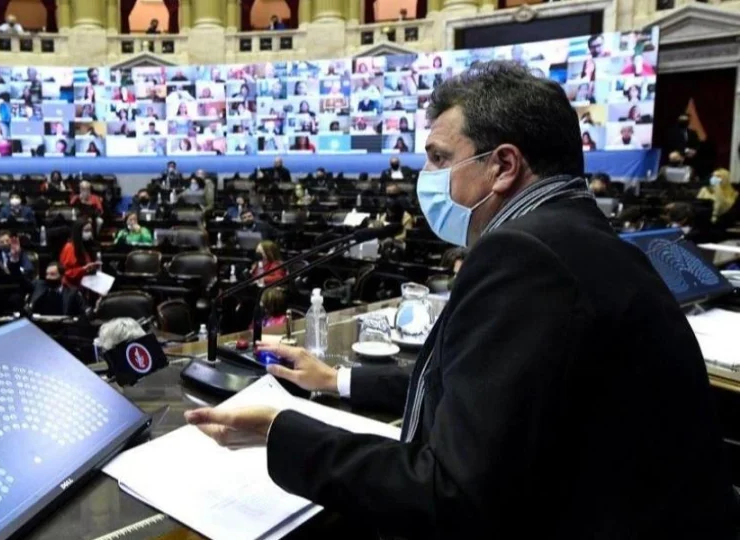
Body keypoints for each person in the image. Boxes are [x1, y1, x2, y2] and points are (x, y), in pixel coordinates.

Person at [185, 60, 737, 538]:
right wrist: (337, 381)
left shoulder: (524, 255)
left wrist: (278, 431)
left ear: (503, 166)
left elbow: (450, 494)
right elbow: (487, 384)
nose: (426, 175)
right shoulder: (578, 236)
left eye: (438, 157)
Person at [59, 218, 101, 288]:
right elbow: (66, 272)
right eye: (86, 230)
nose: (89, 233)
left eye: (90, 230)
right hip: (71, 286)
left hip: (86, 283)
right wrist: (83, 269)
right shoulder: (70, 247)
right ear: (78, 231)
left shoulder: (86, 245)